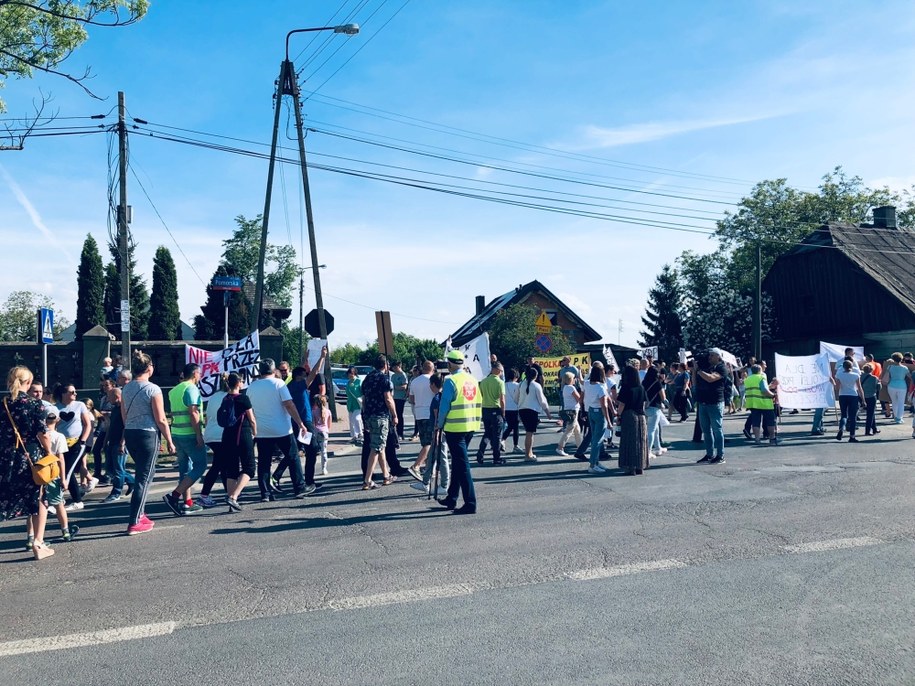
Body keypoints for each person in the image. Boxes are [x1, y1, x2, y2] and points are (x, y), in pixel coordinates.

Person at [1, 366, 55, 559]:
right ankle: (38, 543)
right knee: (39, 497)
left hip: (7, 457)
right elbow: (42, 433)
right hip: (31, 457)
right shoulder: (35, 405)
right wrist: (49, 452)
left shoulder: (4, 403)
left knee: (6, 496)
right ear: (29, 383)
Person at [122, 351, 176, 535]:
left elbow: (124, 415)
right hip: (148, 433)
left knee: (141, 473)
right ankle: (135, 521)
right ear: (149, 368)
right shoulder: (153, 389)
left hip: (130, 432)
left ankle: (141, 513)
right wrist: (169, 439)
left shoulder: (126, 388)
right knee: (144, 478)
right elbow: (160, 418)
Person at [246, 359, 308, 501]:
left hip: (262, 430)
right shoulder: (279, 384)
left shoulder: (252, 387)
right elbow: (289, 404)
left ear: (260, 371)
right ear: (274, 370)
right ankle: (299, 487)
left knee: (264, 462)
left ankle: (265, 493)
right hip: (282, 429)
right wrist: (300, 423)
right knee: (293, 457)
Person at [436, 350, 481, 515]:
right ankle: (452, 498)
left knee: (462, 465)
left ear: (449, 364)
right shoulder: (473, 380)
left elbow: (444, 406)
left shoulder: (450, 381)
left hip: (455, 428)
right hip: (470, 426)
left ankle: (470, 503)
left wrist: (438, 424)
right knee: (458, 462)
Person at [162, 363, 208, 516]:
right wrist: (199, 435)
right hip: (189, 434)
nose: (200, 376)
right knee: (200, 466)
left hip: (177, 434)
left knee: (184, 469)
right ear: (195, 374)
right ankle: (174, 496)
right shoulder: (191, 389)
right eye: (199, 373)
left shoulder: (174, 390)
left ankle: (187, 502)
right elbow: (193, 413)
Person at [40, 410, 79, 543]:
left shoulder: (38, 435)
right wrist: (63, 478)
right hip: (53, 473)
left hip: (39, 473)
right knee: (58, 503)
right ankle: (65, 531)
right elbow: (60, 458)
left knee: (38, 505)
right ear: (58, 420)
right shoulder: (59, 436)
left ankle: (33, 536)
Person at [54, 383, 94, 512]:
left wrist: (83, 440)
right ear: (63, 394)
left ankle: (77, 500)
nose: (75, 394)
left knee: (68, 471)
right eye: (72, 392)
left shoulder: (80, 405)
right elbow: (52, 426)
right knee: (62, 471)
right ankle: (62, 499)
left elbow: (87, 424)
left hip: (77, 442)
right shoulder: (56, 408)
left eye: (75, 392)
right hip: (61, 443)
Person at [220, 372, 257, 512]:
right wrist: (255, 432)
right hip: (242, 435)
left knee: (232, 470)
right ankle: (234, 497)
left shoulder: (225, 398)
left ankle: (231, 501)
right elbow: (251, 418)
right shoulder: (243, 398)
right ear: (238, 383)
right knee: (249, 468)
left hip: (227, 436)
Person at [361, 354, 397, 490]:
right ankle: (367, 480)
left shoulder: (367, 378)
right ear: (385, 365)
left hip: (369, 415)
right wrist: (394, 415)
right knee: (376, 447)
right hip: (380, 415)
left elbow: (363, 399)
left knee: (380, 444)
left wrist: (365, 415)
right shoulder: (384, 379)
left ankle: (386, 475)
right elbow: (388, 398)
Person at [410, 373, 450, 495]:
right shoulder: (442, 396)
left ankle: (444, 484)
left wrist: (437, 431)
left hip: (438, 431)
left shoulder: (438, 398)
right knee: (432, 457)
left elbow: (438, 417)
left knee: (442, 457)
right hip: (438, 430)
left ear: (433, 384)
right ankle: (425, 482)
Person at [197, 374, 229, 509]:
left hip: (211, 434)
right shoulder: (228, 397)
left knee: (222, 465)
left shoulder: (214, 397)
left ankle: (230, 493)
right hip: (221, 435)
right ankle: (204, 495)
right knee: (218, 466)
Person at [693, 349, 727, 464]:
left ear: (718, 357)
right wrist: (694, 370)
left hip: (715, 402)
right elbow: (695, 382)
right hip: (703, 402)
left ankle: (720, 455)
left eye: (712, 355)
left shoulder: (721, 367)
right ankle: (709, 454)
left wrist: (698, 370)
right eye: (709, 355)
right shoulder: (705, 368)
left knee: (717, 429)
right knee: (706, 430)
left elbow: (711, 378)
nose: (709, 357)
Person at [102, 384, 134, 503]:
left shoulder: (124, 409)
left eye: (109, 397)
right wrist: (105, 441)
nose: (108, 400)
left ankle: (116, 492)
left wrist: (122, 443)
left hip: (120, 443)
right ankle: (132, 482)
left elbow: (126, 426)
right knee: (111, 469)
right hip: (112, 442)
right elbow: (111, 426)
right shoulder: (115, 409)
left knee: (118, 470)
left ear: (117, 397)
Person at [616, 365, 648, 475]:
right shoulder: (641, 387)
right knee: (641, 441)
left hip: (629, 415)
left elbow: (622, 404)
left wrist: (618, 416)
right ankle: (640, 466)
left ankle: (630, 466)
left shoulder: (626, 388)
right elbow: (644, 403)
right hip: (641, 415)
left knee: (629, 441)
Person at [407, 361, 436, 479]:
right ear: (432, 369)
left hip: (418, 413)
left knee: (425, 442)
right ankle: (416, 465)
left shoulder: (415, 381)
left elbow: (411, 399)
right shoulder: (433, 380)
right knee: (430, 443)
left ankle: (429, 468)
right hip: (430, 413)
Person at [518, 366, 553, 462]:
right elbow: (542, 401)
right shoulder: (536, 386)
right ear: (536, 376)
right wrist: (547, 412)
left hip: (522, 409)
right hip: (532, 410)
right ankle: (527, 455)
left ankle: (530, 453)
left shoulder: (521, 384)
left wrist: (519, 405)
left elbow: (515, 397)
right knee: (530, 433)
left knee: (528, 432)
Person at [581, 363, 611, 474]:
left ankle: (596, 462)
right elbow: (604, 406)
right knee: (597, 440)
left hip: (590, 411)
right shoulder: (601, 387)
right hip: (599, 413)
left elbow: (582, 395)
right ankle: (593, 464)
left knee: (594, 437)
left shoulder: (587, 383)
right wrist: (608, 420)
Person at [475, 362, 506, 465]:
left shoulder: (483, 382)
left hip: (485, 410)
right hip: (495, 409)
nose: (501, 373)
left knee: (487, 433)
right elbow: (502, 400)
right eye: (501, 371)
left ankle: (481, 452)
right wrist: (503, 412)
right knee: (497, 435)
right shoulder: (500, 382)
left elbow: (481, 395)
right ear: (496, 370)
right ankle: (496, 458)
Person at [744, 364, 779, 445]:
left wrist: (771, 385)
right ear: (760, 371)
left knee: (756, 422)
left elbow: (759, 388)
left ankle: (757, 439)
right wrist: (773, 395)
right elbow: (764, 390)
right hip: (764, 403)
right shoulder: (761, 378)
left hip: (753, 403)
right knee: (770, 421)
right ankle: (772, 438)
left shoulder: (748, 379)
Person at [833, 359, 864, 442]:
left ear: (843, 367)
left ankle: (842, 428)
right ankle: (852, 436)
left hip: (842, 395)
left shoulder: (839, 375)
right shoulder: (856, 375)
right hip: (853, 395)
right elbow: (859, 388)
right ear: (852, 367)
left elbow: (837, 388)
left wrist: (834, 384)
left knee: (844, 415)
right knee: (853, 416)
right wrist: (863, 400)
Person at [641, 366, 666, 458]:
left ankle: (658, 447)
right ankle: (648, 451)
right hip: (655, 407)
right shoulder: (657, 383)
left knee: (655, 428)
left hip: (645, 407)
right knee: (651, 430)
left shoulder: (644, 382)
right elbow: (663, 397)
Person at [556, 371, 582, 457]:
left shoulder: (565, 388)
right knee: (569, 429)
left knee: (577, 430)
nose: (575, 380)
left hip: (568, 410)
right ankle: (560, 447)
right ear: (571, 379)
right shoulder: (571, 388)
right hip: (573, 410)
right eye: (574, 378)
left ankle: (580, 448)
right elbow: (578, 398)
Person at [881, 353, 911, 424]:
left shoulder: (890, 367)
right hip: (902, 386)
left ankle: (896, 416)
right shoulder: (905, 368)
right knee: (901, 402)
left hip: (891, 386)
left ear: (893, 359)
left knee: (894, 402)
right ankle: (899, 418)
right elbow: (909, 376)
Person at [501, 368, 522, 454]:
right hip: (515, 408)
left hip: (506, 408)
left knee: (510, 426)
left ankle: (502, 440)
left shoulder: (504, 385)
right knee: (515, 427)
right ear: (516, 377)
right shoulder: (518, 386)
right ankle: (515, 445)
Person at [312, 394, 332, 476]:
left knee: (314, 451)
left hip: (316, 431)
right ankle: (324, 468)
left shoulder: (313, 412)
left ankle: (311, 469)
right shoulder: (328, 412)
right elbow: (329, 425)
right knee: (324, 451)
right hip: (324, 432)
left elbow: (313, 424)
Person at [861, 363, 882, 437]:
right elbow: (879, 388)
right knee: (870, 414)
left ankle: (874, 428)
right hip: (871, 396)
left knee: (871, 413)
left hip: (862, 396)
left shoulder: (860, 377)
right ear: (871, 370)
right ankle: (867, 430)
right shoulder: (874, 378)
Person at [390, 360, 409, 440]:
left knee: (399, 415)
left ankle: (400, 433)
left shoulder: (403, 375)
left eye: (395, 367)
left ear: (399, 366)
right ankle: (395, 432)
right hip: (393, 397)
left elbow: (404, 386)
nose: (393, 369)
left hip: (400, 397)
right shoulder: (393, 375)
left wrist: (394, 387)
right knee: (394, 414)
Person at [345, 366, 363, 446]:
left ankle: (361, 434)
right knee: (351, 420)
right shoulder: (348, 382)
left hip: (358, 403)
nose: (350, 376)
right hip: (350, 404)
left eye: (351, 374)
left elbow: (362, 392)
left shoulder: (359, 381)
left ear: (355, 373)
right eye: (349, 374)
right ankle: (354, 436)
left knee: (357, 419)